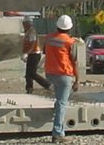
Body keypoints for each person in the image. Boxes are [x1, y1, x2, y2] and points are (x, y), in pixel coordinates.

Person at [44, 15, 79, 143]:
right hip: (64, 75)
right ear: (69, 28)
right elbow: (75, 62)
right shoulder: (70, 42)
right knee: (62, 103)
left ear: (57, 26)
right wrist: (77, 80)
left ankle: (57, 116)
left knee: (59, 100)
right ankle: (58, 133)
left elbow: (45, 52)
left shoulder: (48, 38)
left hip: (50, 74)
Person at [21, 17, 51, 94]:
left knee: (32, 73)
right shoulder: (28, 32)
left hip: (35, 54)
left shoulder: (32, 32)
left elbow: (33, 44)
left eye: (24, 24)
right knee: (28, 73)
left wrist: (26, 53)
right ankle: (29, 88)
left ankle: (47, 85)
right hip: (31, 54)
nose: (23, 25)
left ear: (27, 24)